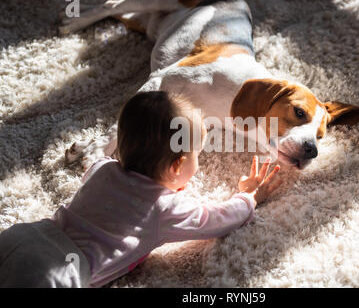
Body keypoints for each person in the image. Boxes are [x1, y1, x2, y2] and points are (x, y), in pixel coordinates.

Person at [0, 91, 282, 287]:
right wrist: (249, 196)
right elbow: (217, 219)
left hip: (25, 235)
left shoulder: (102, 168)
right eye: (197, 154)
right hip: (60, 271)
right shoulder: (164, 208)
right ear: (177, 166)